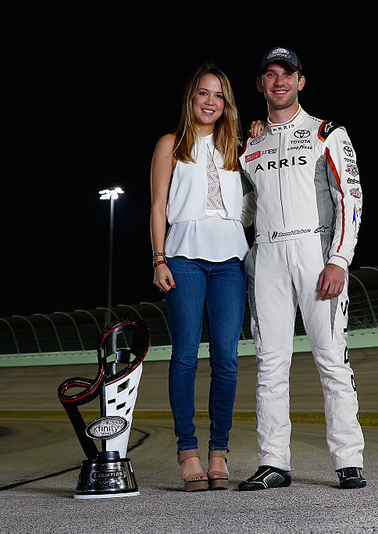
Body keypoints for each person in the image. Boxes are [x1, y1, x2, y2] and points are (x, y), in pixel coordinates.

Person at [237, 47, 366, 490]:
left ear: (301, 81)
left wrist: (339, 260)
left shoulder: (327, 132)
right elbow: (247, 208)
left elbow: (351, 197)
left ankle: (349, 460)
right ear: (260, 84)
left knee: (332, 360)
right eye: (270, 75)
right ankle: (274, 462)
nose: (279, 82)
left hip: (317, 254)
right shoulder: (249, 144)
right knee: (270, 364)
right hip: (266, 259)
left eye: (287, 74)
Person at [150, 64, 249, 491]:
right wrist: (159, 259)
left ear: (226, 104)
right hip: (183, 258)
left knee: (226, 359)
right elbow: (157, 207)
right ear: (192, 98)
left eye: (219, 96)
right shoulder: (171, 144)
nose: (210, 102)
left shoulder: (238, 149)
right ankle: (188, 452)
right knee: (186, 356)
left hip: (230, 261)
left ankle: (218, 453)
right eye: (203, 94)